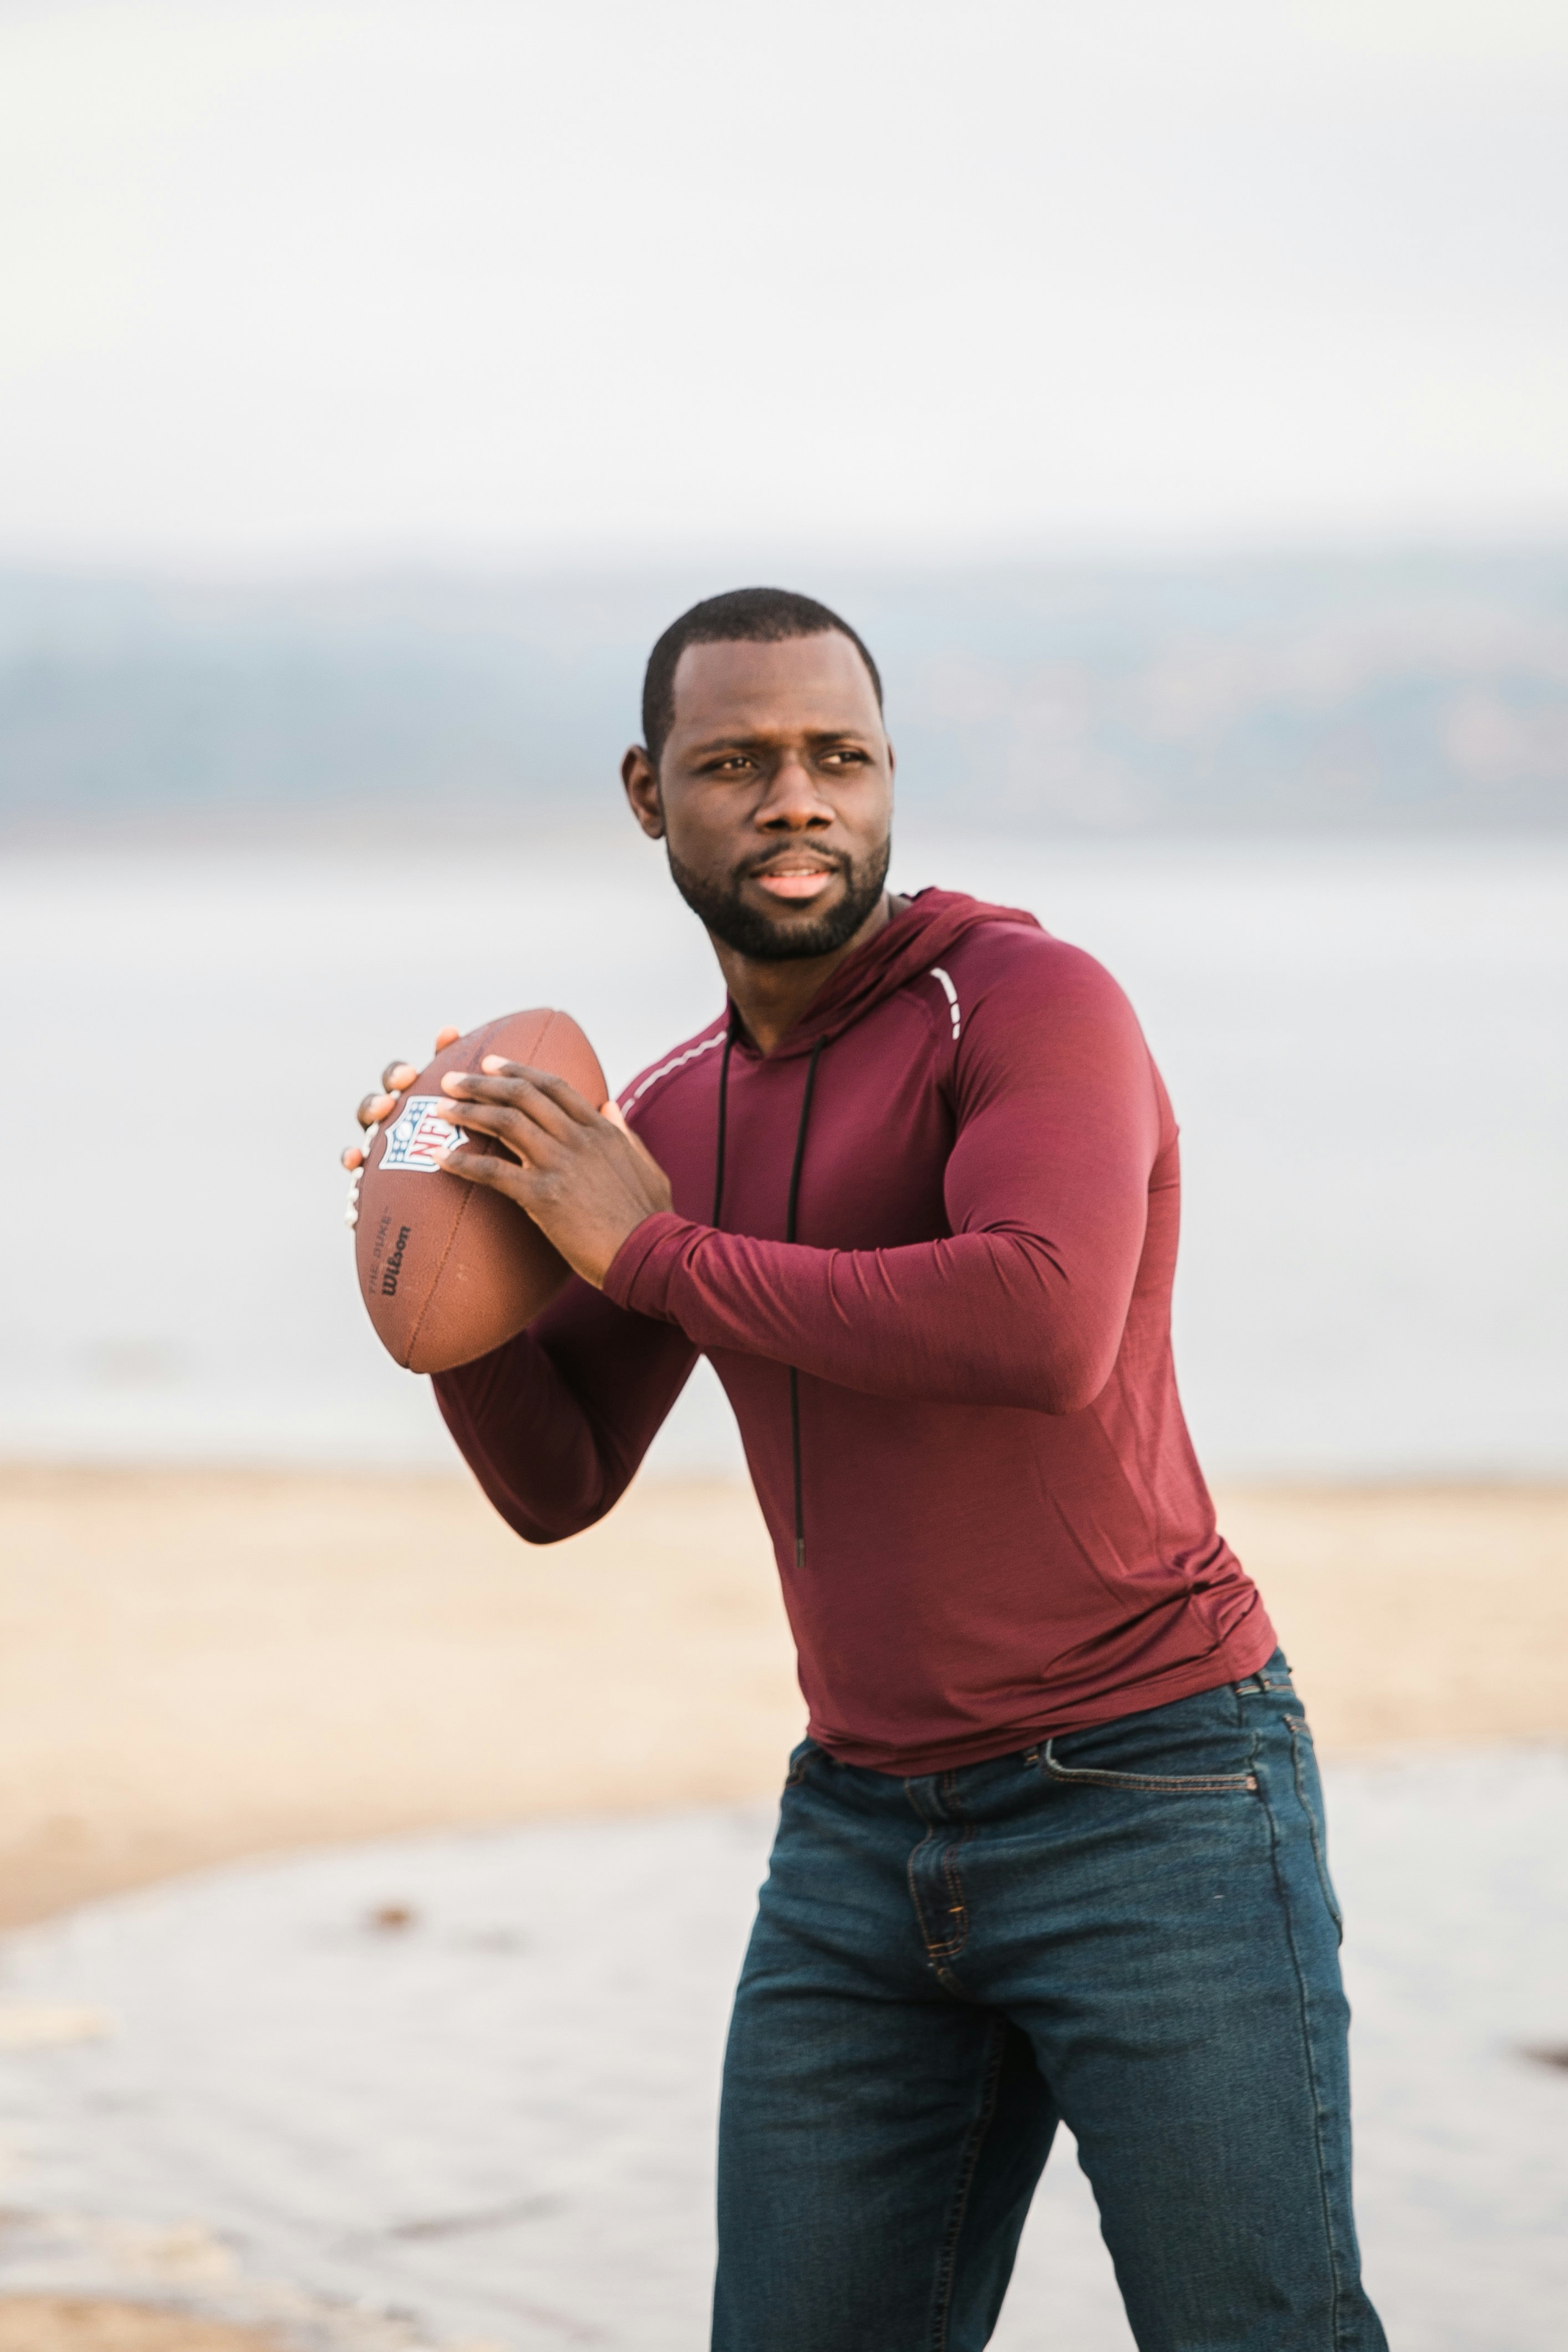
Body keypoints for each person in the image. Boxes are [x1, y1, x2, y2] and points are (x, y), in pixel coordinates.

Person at [344, 588, 1386, 2351]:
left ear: (891, 774)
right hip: (858, 1842)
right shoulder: (665, 1113)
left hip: (1153, 1794)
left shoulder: (1031, 1004)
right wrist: (449, 1263)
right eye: (737, 763)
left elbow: (1040, 1319)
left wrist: (644, 1248)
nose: (795, 801)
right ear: (644, 791)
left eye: (838, 757)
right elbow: (561, 1478)